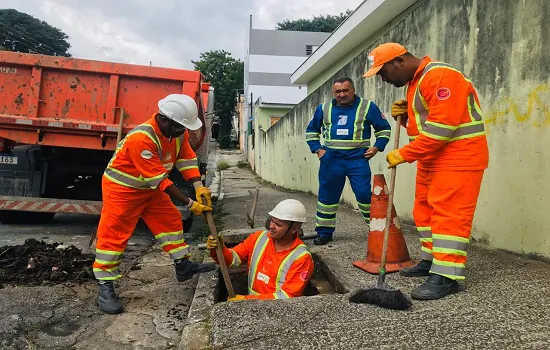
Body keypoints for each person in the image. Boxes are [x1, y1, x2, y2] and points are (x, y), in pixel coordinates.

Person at [363, 42, 489, 300]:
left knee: (449, 216)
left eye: (383, 72)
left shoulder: (441, 76)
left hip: (458, 159)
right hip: (433, 160)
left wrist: (404, 154)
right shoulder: (416, 83)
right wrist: (407, 115)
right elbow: (428, 121)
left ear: (399, 61)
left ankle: (447, 275)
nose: (383, 79)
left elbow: (442, 129)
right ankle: (431, 261)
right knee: (425, 211)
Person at [93, 93, 216, 314]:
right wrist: (190, 203)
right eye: (180, 127)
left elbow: (186, 158)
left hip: (149, 189)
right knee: (113, 235)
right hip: (123, 190)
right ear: (164, 119)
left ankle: (183, 265)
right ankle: (105, 284)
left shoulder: (176, 133)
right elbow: (160, 180)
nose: (183, 132)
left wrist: (198, 185)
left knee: (169, 221)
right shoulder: (141, 137)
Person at [305, 77, 391, 245]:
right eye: (338, 91)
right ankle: (324, 232)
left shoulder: (367, 107)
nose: (342, 94)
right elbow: (311, 131)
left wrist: (376, 147)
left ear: (353, 90)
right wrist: (317, 148)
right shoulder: (324, 108)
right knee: (327, 197)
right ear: (333, 92)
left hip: (357, 159)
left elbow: (384, 129)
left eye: (345, 90)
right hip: (331, 160)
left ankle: (377, 229)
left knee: (364, 194)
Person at [206, 199, 314, 300]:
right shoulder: (258, 238)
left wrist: (245, 300)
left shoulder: (302, 258)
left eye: (278, 224)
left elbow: (287, 296)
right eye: (272, 221)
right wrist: (219, 249)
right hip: (253, 309)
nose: (272, 226)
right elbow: (231, 260)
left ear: (294, 229)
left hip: (280, 313)